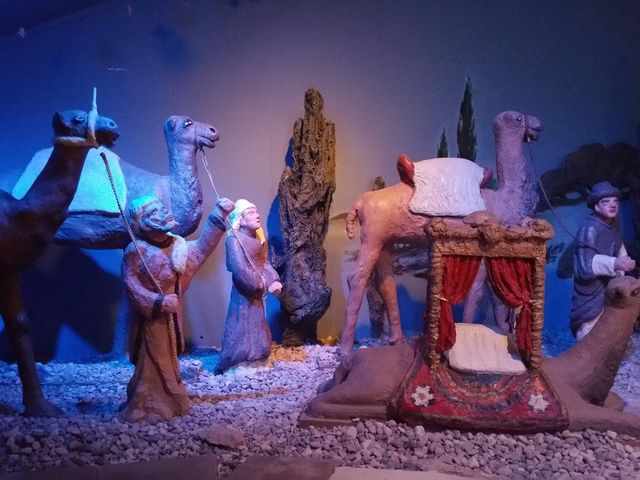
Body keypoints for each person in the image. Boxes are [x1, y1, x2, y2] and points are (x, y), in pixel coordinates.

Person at [119, 195, 234, 422]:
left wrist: (219, 214)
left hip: (172, 317)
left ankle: (169, 396)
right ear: (141, 223)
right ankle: (151, 399)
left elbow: (201, 248)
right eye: (154, 212)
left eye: (162, 208)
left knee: (169, 354)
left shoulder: (178, 247)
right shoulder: (136, 251)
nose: (163, 213)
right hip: (151, 319)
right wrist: (157, 301)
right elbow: (131, 285)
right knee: (153, 356)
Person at [215, 199, 282, 374]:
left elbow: (264, 263)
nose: (257, 215)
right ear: (241, 219)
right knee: (241, 325)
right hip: (243, 294)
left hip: (257, 295)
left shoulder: (258, 238)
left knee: (258, 323)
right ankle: (237, 360)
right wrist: (257, 283)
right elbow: (239, 268)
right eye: (251, 213)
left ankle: (258, 357)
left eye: (256, 211)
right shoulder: (233, 240)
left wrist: (273, 281)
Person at [570, 181, 635, 340]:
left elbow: (618, 246)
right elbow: (585, 265)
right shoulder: (590, 228)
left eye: (615, 201)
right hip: (592, 290)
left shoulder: (614, 225)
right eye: (606, 202)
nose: (612, 205)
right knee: (591, 325)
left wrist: (625, 261)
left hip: (608, 285)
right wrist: (615, 263)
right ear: (597, 207)